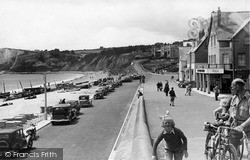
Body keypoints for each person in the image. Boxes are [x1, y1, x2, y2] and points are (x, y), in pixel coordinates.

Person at [228, 78, 250, 157]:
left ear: (237, 87)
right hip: (235, 128)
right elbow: (232, 111)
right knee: (234, 152)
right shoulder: (234, 98)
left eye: (232, 87)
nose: (231, 89)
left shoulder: (248, 99)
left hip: (248, 129)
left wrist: (242, 126)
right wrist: (230, 119)